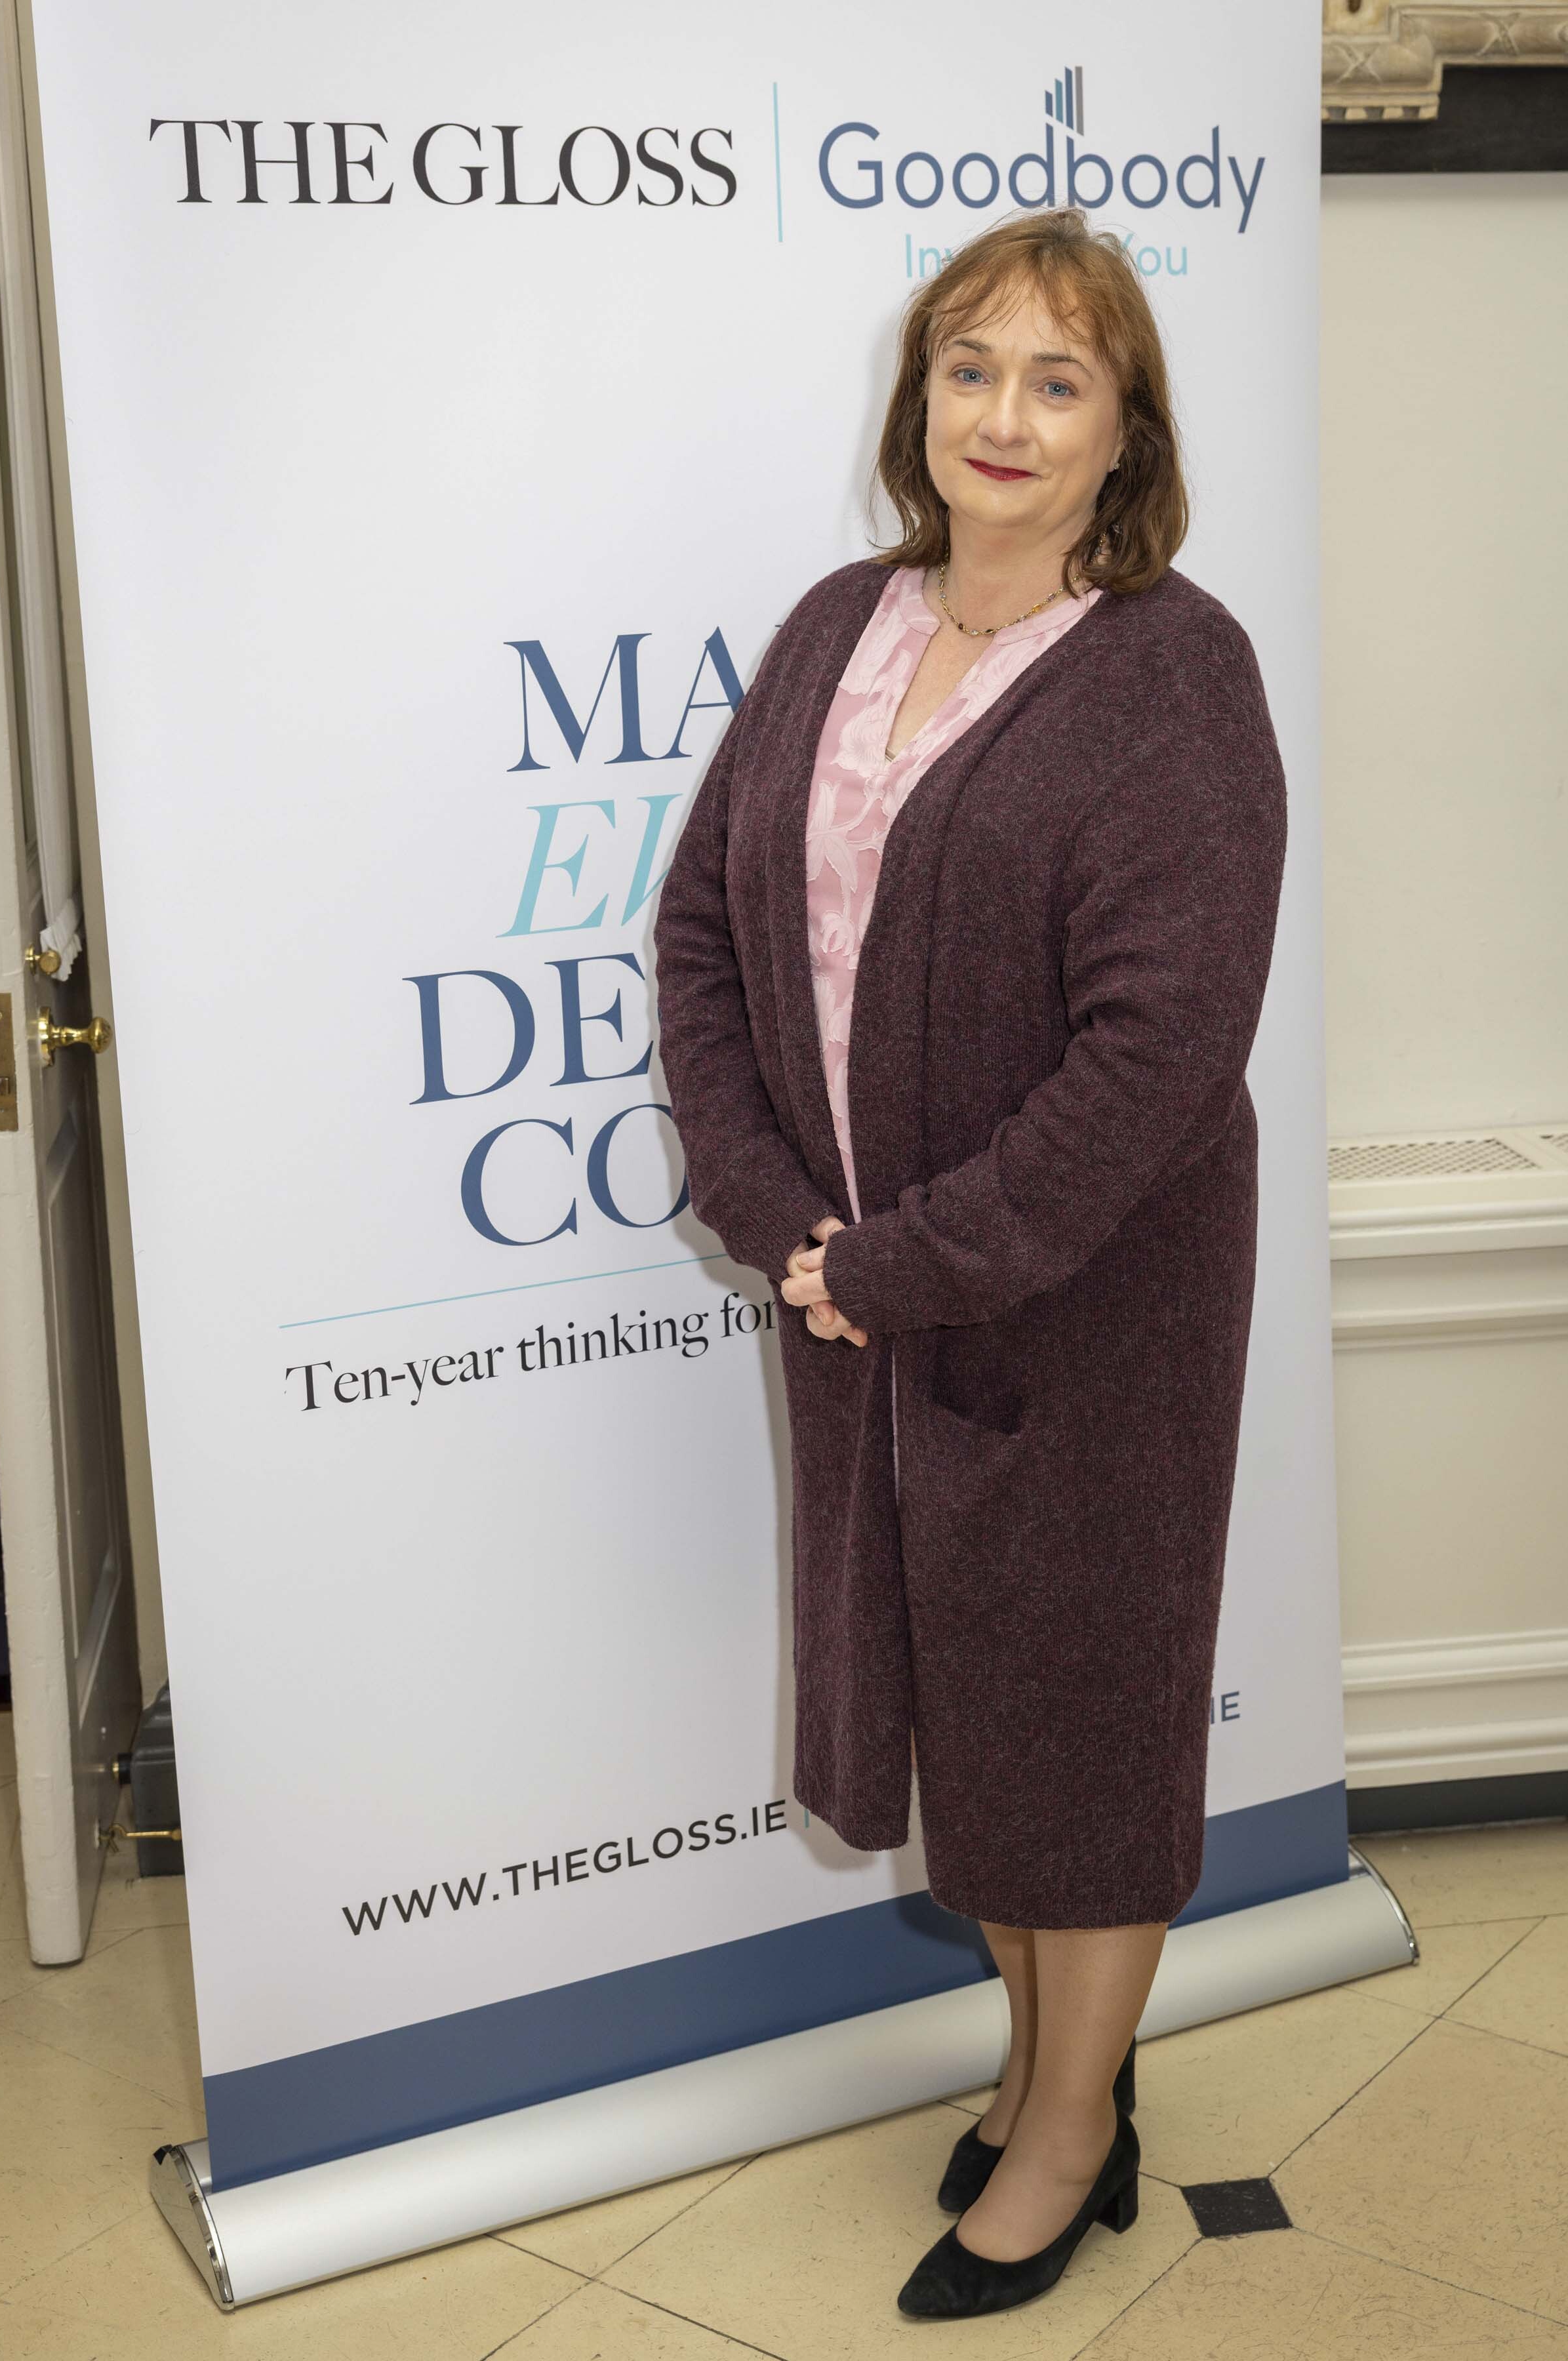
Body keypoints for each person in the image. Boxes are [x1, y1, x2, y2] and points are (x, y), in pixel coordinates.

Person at [651, 206, 1287, 2322]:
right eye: (968, 366)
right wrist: (780, 1221)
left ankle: (1076, 2129)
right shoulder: (837, 621)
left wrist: (904, 1261)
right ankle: (1037, 2071)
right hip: (858, 1296)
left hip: (1084, 1307)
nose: (1001, 416)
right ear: (917, 398)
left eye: (1057, 379)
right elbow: (703, 934)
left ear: (1125, 434)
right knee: (958, 1705)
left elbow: (1159, 1055)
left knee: (1075, 1723)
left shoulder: (1171, 670)